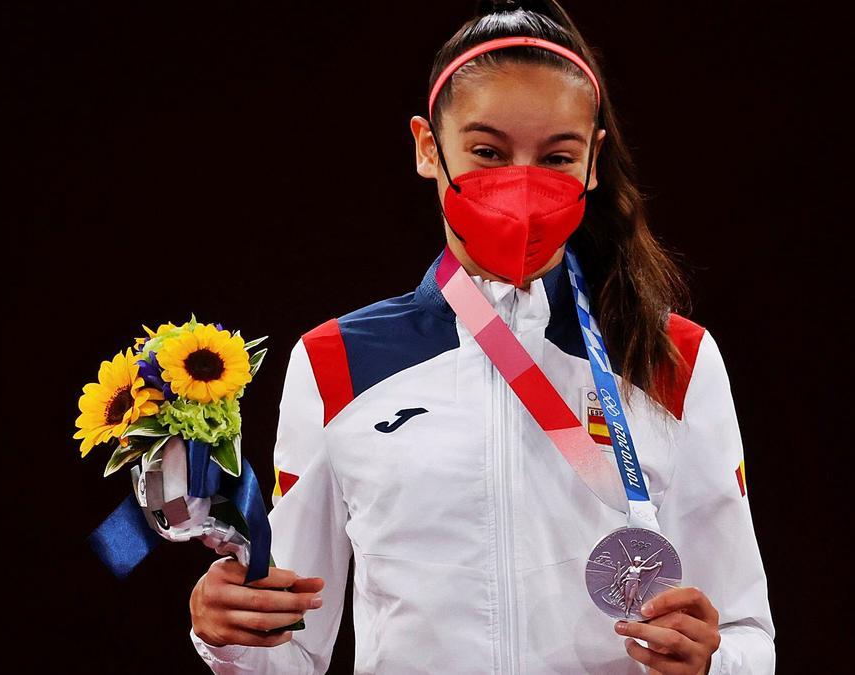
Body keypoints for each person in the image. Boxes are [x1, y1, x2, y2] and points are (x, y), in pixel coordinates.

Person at [187, 1, 775, 672]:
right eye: (488, 151)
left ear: (592, 163)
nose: (520, 185)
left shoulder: (675, 358)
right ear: (428, 148)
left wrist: (714, 660)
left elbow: (748, 636)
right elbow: (291, 650)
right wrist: (230, 633)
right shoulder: (335, 362)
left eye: (557, 156)